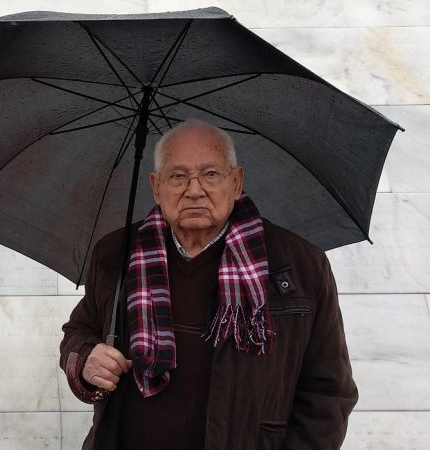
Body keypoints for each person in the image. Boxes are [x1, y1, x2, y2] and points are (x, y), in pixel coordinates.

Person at [60, 118, 357, 450]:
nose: (194, 189)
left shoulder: (298, 265)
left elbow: (328, 393)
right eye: (178, 176)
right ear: (156, 187)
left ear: (237, 182)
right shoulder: (116, 254)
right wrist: (86, 359)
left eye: (211, 174)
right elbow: (78, 332)